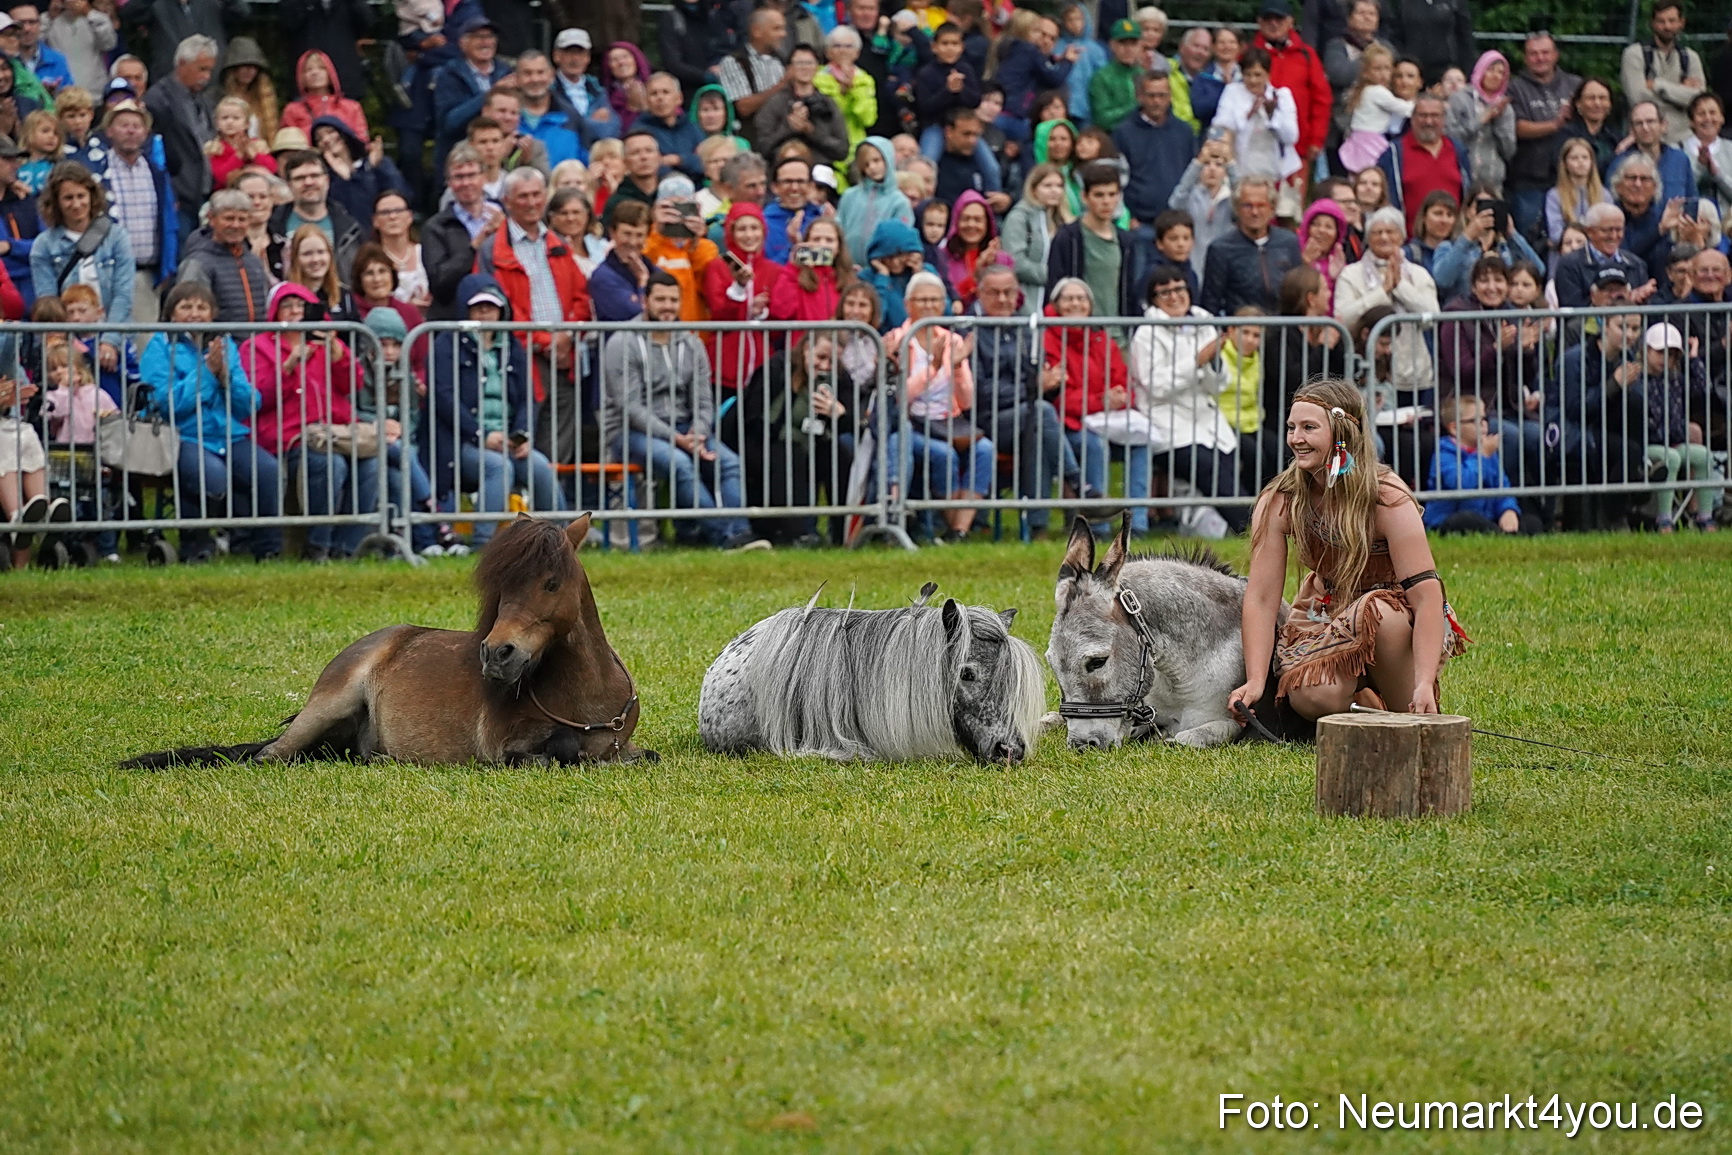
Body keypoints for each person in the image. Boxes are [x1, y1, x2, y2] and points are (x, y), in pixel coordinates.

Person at [1229, 377, 1465, 725]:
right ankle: (1363, 696)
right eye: (1292, 427)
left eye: (1309, 427)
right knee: (1312, 697)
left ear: (1341, 434)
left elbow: (1427, 596)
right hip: (1326, 613)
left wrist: (1425, 682)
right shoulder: (1280, 498)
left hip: (1395, 618)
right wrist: (1256, 680)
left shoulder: (1386, 496)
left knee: (1380, 620)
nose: (1296, 438)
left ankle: (1398, 700)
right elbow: (1262, 597)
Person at [604, 270, 762, 550]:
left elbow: (704, 400)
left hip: (686, 429)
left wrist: (698, 433)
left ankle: (739, 531)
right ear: (645, 301)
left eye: (673, 300)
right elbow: (631, 408)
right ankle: (726, 537)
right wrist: (677, 440)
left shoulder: (691, 343)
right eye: (660, 299)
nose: (668, 306)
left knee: (729, 463)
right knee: (680, 464)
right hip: (631, 433)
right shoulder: (622, 342)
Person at [142, 280, 282, 563]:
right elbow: (164, 404)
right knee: (211, 476)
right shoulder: (159, 346)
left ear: (213, 313)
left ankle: (267, 549)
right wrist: (206, 373)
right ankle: (196, 547)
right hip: (184, 435)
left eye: (202, 307)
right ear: (171, 314)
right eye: (186, 307)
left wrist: (227, 380)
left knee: (268, 471)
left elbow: (249, 404)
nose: (195, 313)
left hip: (227, 434)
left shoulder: (224, 344)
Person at [425, 273, 565, 547]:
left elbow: (527, 398)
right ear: (465, 309)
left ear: (502, 310)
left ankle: (561, 541)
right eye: (478, 307)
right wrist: (481, 435)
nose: (485, 313)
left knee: (539, 467)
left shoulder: (512, 346)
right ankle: (483, 545)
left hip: (507, 439)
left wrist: (522, 435)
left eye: (491, 306)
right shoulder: (446, 344)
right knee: (498, 468)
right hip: (461, 442)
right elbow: (444, 399)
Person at [237, 281, 370, 562]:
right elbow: (255, 398)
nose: (296, 311)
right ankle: (317, 546)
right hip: (288, 435)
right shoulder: (256, 346)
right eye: (288, 305)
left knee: (375, 463)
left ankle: (346, 548)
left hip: (336, 430)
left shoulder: (326, 340)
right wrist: (288, 368)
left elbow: (354, 384)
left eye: (302, 305)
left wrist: (340, 356)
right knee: (330, 464)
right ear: (275, 311)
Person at [1129, 264, 1248, 533]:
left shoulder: (1204, 323)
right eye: (1164, 292)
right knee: (1206, 465)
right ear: (1154, 299)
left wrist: (1213, 363)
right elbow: (1155, 386)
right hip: (1167, 424)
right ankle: (1247, 527)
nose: (1174, 296)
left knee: (1236, 458)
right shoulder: (1146, 333)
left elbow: (1220, 385)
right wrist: (1196, 361)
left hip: (1207, 419)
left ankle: (1242, 527)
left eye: (1179, 288)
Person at [971, 264, 1079, 538]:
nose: (1003, 299)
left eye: (1009, 292)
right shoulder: (970, 329)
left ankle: (1037, 527)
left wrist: (1051, 383)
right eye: (994, 293)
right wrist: (1033, 387)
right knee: (1040, 414)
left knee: (1038, 429)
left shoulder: (1024, 328)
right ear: (980, 294)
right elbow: (982, 391)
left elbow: (1036, 380)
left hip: (1025, 416)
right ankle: (1076, 485)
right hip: (986, 420)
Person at [886, 270, 991, 541]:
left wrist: (956, 366)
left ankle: (959, 530)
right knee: (944, 455)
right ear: (908, 304)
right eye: (922, 300)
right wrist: (931, 369)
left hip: (950, 422)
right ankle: (946, 525)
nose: (930, 306)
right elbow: (899, 396)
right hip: (915, 423)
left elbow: (967, 400)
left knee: (985, 449)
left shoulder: (952, 340)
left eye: (935, 300)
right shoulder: (898, 339)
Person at [1043, 275, 1139, 533]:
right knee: (1092, 445)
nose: (1076, 304)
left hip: (1103, 418)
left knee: (1141, 442)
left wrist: (1120, 398)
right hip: (1066, 424)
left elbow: (1125, 385)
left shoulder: (1101, 339)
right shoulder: (1048, 338)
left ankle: (1138, 525)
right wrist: (1100, 401)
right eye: (1069, 298)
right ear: (1056, 305)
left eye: (1081, 298)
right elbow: (1061, 399)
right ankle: (1096, 527)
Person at [30, 162, 133, 371]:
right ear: (56, 202)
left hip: (112, 335)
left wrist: (110, 341)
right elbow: (48, 301)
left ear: (91, 196)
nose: (76, 204)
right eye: (68, 198)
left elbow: (123, 294)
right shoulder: (44, 245)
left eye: (81, 196)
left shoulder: (117, 237)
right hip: (67, 344)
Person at [1333, 207, 1439, 399]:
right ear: (1368, 238)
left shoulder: (1418, 274)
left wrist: (1400, 287)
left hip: (1411, 373)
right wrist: (1382, 292)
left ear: (1402, 237)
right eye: (1377, 232)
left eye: (1390, 232)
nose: (1384, 237)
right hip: (1364, 375)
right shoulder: (1351, 274)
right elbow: (1344, 318)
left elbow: (1433, 316)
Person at [1507, 31, 1582, 244]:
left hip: (1570, 180)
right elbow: (1517, 127)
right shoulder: (1515, 87)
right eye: (1534, 54)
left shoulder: (1574, 84)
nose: (1540, 58)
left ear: (1556, 55)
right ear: (1525, 57)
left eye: (1545, 53)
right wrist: (1555, 124)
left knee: (1572, 239)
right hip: (1529, 182)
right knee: (1529, 242)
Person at [703, 201, 783, 392]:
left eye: (754, 228)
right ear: (731, 232)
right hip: (724, 365)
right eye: (742, 229)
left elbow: (779, 324)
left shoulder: (774, 270)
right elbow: (720, 315)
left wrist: (760, 314)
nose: (749, 235)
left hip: (762, 367)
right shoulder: (718, 267)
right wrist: (739, 288)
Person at [1422, 392, 1530, 534]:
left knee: (1531, 522)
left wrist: (1508, 510)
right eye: (1476, 421)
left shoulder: (1487, 451)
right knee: (1465, 520)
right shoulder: (1444, 453)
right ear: (1454, 428)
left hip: (1487, 517)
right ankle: (1501, 534)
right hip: (1448, 519)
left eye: (1485, 419)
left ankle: (1504, 532)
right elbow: (1463, 483)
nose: (1484, 425)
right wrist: (1482, 456)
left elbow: (1502, 486)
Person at [1046, 162, 1144, 318]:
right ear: (1085, 196)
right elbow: (1054, 289)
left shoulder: (1126, 241)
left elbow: (1129, 292)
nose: (1106, 201)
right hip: (1077, 333)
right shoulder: (1067, 237)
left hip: (1117, 334)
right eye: (1099, 195)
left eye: (1112, 195)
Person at [145, 34, 217, 245]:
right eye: (201, 69)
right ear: (182, 64)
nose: (207, 76)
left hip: (203, 192)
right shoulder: (158, 99)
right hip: (178, 196)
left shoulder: (203, 99)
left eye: (210, 70)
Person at [1249, 0, 1330, 184]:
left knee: (1290, 207)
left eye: (1279, 18)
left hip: (1297, 150)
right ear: (1259, 22)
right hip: (1256, 149)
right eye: (1268, 18)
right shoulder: (1248, 54)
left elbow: (1321, 100)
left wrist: (1316, 139)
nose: (1274, 23)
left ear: (1291, 21)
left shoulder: (1307, 55)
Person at [421, 144, 503, 321]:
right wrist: (474, 246)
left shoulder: (503, 217)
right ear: (449, 182)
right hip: (455, 320)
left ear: (484, 177)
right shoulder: (436, 227)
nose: (466, 183)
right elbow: (439, 283)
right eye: (459, 177)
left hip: (500, 313)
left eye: (472, 175)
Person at [1199, 175, 1302, 315]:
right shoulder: (1221, 249)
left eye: (1261, 205)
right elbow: (1210, 303)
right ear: (1237, 208)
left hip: (1282, 332)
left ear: (1272, 208)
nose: (1254, 212)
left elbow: (1298, 294)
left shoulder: (1289, 242)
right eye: (1248, 205)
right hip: (1240, 332)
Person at [1215, 47, 1300, 213]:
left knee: (1280, 217)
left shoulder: (1282, 95)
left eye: (1258, 75)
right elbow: (1221, 127)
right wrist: (1248, 115)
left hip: (1276, 174)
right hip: (1241, 171)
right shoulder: (1232, 92)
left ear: (1268, 75)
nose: (1253, 80)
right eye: (1248, 74)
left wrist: (1272, 116)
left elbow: (1291, 137)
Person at [1430, 185, 1544, 302]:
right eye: (1480, 207)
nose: (1486, 213)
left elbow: (1539, 271)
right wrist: (1467, 237)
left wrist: (1512, 234)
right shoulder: (1448, 247)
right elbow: (1442, 279)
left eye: (1492, 207)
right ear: (1467, 212)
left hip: (1501, 316)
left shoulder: (1507, 249)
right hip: (1465, 314)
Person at [1114, 68, 1194, 231]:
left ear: (1170, 96)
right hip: (1140, 224)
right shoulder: (1123, 133)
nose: (1156, 101)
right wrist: (1128, 216)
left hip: (1178, 223)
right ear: (1140, 97)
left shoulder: (1184, 131)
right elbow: (1117, 178)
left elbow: (1193, 174)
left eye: (1162, 95)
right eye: (1151, 95)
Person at [268, 149, 364, 283]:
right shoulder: (272, 227)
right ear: (289, 185)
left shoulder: (351, 228)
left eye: (315, 176)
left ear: (327, 180)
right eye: (300, 178)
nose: (308, 182)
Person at [176, 188, 269, 323]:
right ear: (211, 219)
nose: (236, 225)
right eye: (229, 218)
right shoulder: (198, 263)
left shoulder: (254, 262)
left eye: (242, 219)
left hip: (254, 343)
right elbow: (188, 316)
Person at [1621, 1, 1704, 147]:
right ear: (1652, 23)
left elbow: (1699, 101)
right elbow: (1638, 98)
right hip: (1645, 139)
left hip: (1686, 139)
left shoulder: (1691, 57)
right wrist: (1682, 93)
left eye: (1672, 21)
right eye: (1661, 21)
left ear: (1681, 22)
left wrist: (1658, 85)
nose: (1667, 26)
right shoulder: (1634, 54)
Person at [754, 43, 849, 167]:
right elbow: (762, 148)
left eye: (809, 63)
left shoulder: (828, 103)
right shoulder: (775, 103)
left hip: (820, 171)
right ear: (789, 68)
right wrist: (788, 128)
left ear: (817, 67)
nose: (805, 68)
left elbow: (842, 150)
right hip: (784, 170)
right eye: (799, 63)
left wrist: (811, 131)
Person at [642, 173, 719, 322]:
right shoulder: (646, 242)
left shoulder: (706, 248)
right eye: (669, 207)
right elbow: (644, 267)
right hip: (653, 332)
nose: (676, 214)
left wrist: (696, 240)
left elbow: (707, 287)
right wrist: (658, 231)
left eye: (683, 207)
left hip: (692, 335)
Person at [835, 135, 911, 273]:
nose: (872, 168)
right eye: (866, 164)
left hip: (881, 270)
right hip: (847, 268)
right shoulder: (850, 196)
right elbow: (839, 227)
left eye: (877, 160)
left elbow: (900, 238)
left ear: (888, 159)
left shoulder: (899, 202)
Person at [1444, 51, 1515, 196]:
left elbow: (1508, 151)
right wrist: (1481, 119)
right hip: (1460, 178)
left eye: (1501, 72)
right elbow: (1450, 139)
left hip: (1492, 182)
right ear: (1481, 70)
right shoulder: (1459, 99)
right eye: (1490, 70)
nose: (1496, 76)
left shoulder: (1505, 107)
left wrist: (1498, 120)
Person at [1336, 45, 1411, 175]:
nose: (1383, 74)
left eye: (1387, 68)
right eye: (1377, 69)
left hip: (1360, 139)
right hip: (1370, 142)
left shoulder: (1365, 90)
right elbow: (1404, 109)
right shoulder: (1377, 92)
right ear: (1366, 72)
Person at [1002, 162, 1064, 313]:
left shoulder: (1061, 220)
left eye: (1059, 185)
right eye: (1048, 185)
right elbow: (1015, 261)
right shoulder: (1018, 217)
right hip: (1026, 304)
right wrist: (1053, 276)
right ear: (1034, 189)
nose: (1055, 191)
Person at [932, 188, 1010, 310]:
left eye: (978, 220)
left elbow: (1017, 299)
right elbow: (948, 300)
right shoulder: (942, 257)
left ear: (987, 223)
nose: (971, 224)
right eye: (965, 219)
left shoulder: (1002, 259)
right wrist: (976, 273)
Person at [1614, 98, 1699, 208]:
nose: (1645, 128)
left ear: (1663, 125)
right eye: (1639, 123)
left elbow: (1692, 200)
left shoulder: (1680, 159)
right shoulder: (1620, 163)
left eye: (1650, 121)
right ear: (1631, 130)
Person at [714, 8, 789, 129]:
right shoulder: (734, 62)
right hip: (752, 136)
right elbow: (743, 108)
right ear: (756, 31)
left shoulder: (782, 60)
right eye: (776, 29)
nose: (783, 34)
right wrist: (783, 85)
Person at [279, 49, 368, 143]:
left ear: (331, 73)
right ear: (301, 77)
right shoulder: (292, 110)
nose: (315, 73)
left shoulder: (351, 107)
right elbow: (287, 145)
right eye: (308, 70)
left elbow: (362, 141)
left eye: (321, 68)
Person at [588, 198, 654, 322]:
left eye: (639, 235)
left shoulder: (656, 271)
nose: (633, 242)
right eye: (627, 234)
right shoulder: (602, 277)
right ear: (613, 233)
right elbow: (637, 316)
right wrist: (643, 281)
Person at [1380, 0, 1473, 87]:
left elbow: (1465, 39)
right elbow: (1396, 37)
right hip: (1413, 75)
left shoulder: (1455, 3)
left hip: (1446, 73)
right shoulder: (1403, 3)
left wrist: (1465, 73)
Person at [1547, 136, 1613, 248]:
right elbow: (1555, 234)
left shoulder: (1605, 195)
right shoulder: (1554, 195)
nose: (1580, 162)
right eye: (1574, 158)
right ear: (1565, 163)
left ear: (1592, 162)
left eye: (1585, 157)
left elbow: (1610, 231)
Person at [44, 0, 114, 98]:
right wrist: (49, 17)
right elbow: (36, 45)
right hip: (61, 94)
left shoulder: (99, 18)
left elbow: (108, 44)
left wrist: (88, 13)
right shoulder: (49, 20)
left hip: (94, 93)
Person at [1088, 18, 1145, 134]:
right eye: (1123, 43)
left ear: (1140, 46)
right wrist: (1136, 106)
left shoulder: (1145, 75)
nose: (1128, 49)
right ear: (1112, 45)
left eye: (1133, 44)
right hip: (1113, 137)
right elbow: (1102, 119)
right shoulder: (1101, 77)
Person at [1561, 76, 1621, 175]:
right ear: (1578, 104)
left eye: (1602, 98)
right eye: (1591, 98)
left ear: (1610, 104)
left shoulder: (1615, 136)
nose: (1597, 103)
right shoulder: (1566, 135)